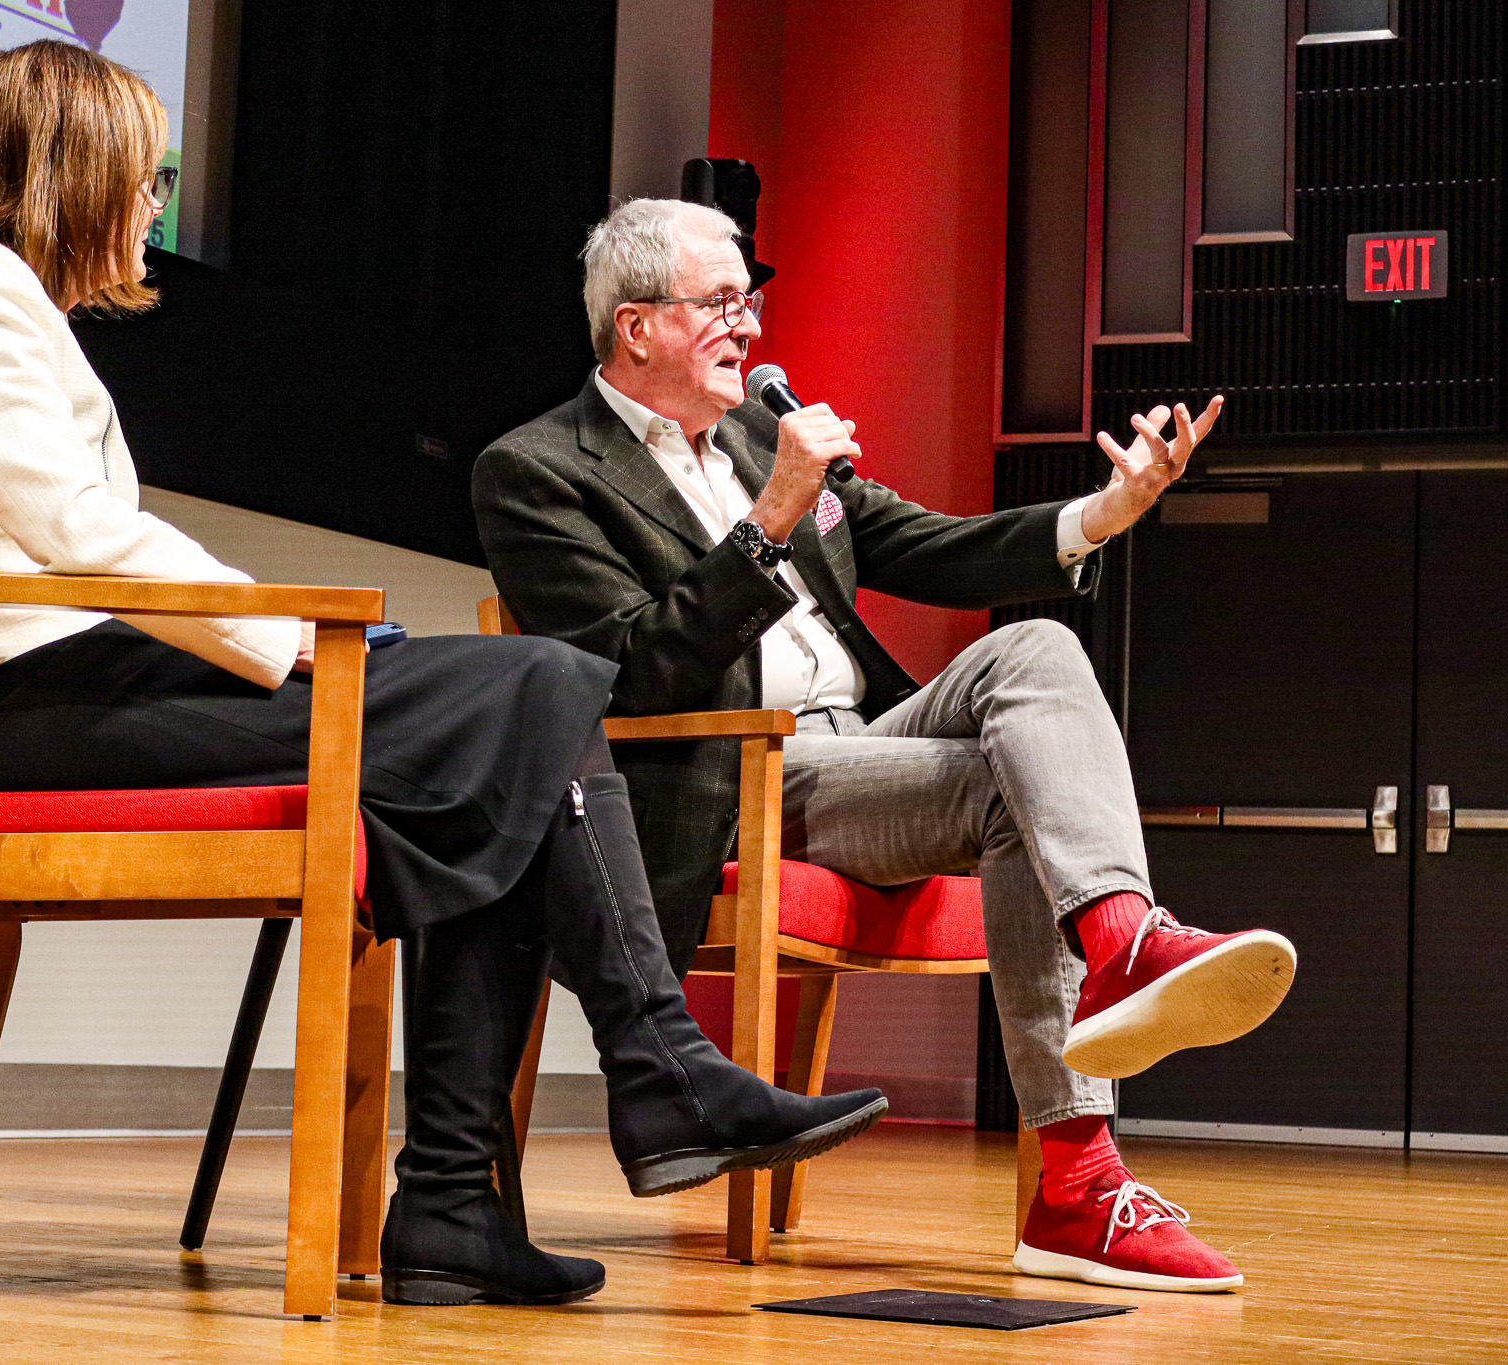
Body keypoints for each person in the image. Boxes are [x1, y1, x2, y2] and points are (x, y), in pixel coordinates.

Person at [0, 46, 887, 1309]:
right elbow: (69, 528)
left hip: (78, 686)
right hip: (39, 711)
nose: (154, 203)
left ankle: (462, 1206)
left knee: (493, 747)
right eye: (142, 175)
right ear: (65, 167)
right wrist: (287, 636)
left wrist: (280, 633)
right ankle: (641, 1080)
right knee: (541, 688)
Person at [471, 198, 1299, 1293]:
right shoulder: (537, 470)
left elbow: (931, 547)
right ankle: (1079, 1182)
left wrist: (1102, 511)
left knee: (1036, 646)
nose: (748, 327)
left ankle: (1119, 945)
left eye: (746, 301)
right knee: (1019, 795)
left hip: (852, 749)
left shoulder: (763, 437)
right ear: (636, 328)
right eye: (720, 302)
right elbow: (629, 675)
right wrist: (767, 518)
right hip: (726, 772)